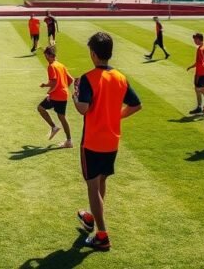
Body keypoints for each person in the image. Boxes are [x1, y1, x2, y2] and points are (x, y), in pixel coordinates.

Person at [74, 32, 143, 252]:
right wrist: (114, 116)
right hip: (112, 141)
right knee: (101, 182)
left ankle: (102, 235)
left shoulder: (88, 78)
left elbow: (83, 108)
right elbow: (136, 105)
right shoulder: (120, 77)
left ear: (93, 54)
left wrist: (74, 94)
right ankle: (92, 218)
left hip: (93, 141)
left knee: (92, 186)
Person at [38, 45, 73, 148]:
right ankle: (69, 141)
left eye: (46, 56)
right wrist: (63, 87)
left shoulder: (51, 66)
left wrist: (49, 92)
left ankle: (54, 127)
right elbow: (70, 80)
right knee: (62, 117)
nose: (46, 58)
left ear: (50, 55)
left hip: (56, 95)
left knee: (40, 108)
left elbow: (54, 82)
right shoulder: (61, 65)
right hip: (63, 94)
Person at [185, 33, 204, 115]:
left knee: (201, 90)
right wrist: (191, 66)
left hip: (201, 74)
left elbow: (203, 62)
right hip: (203, 73)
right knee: (198, 89)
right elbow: (201, 62)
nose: (194, 41)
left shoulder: (201, 49)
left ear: (200, 39)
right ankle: (201, 107)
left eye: (195, 39)